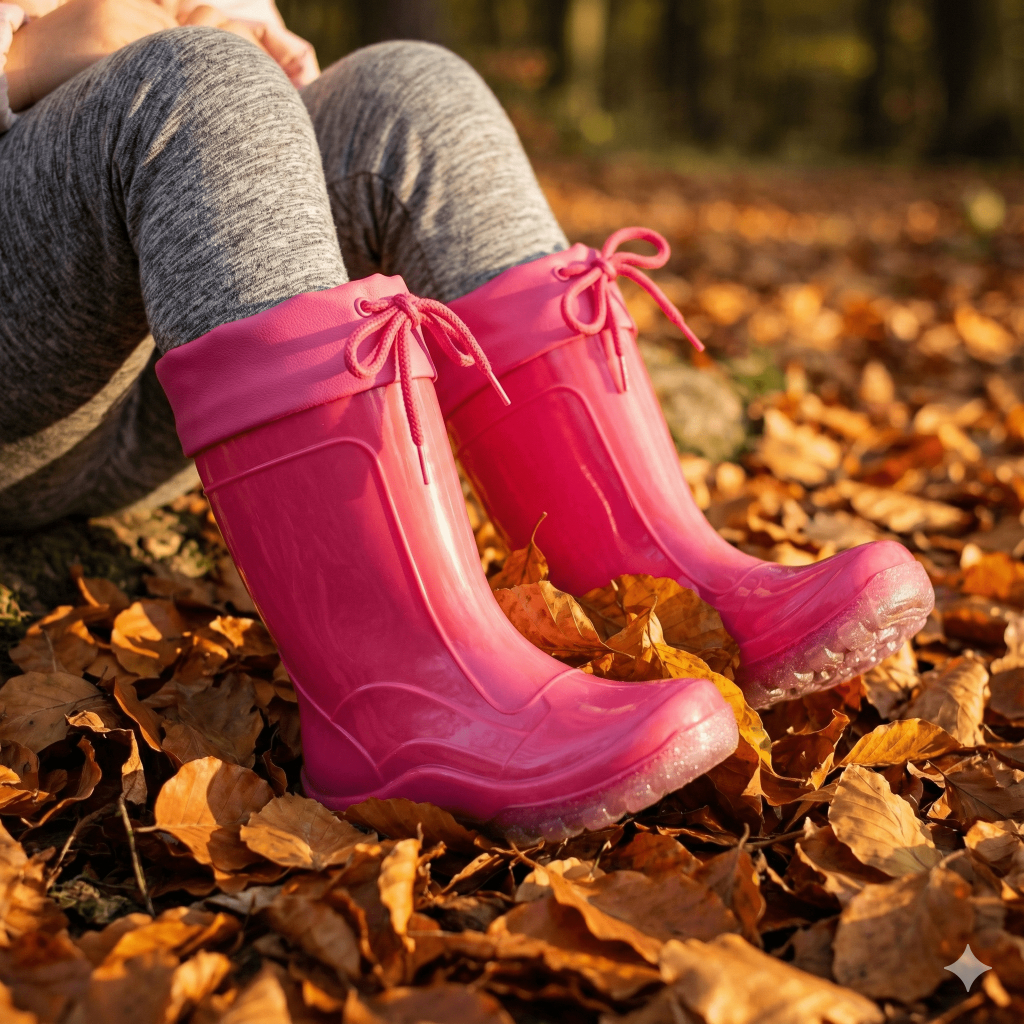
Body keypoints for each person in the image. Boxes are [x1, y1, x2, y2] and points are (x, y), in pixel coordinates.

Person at [0, 1, 932, 840]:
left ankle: (658, 597)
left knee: (408, 87)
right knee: (190, 83)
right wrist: (24, 54)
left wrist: (240, 29)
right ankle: (403, 707)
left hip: (194, 383)